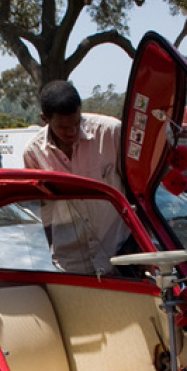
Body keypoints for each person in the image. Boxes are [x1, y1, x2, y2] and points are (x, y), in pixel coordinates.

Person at [23, 80, 130, 265]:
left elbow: (136, 189)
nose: (72, 131)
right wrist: (49, 253)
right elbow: (44, 208)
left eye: (76, 123)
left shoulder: (111, 133)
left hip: (119, 253)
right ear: (45, 119)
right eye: (63, 127)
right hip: (70, 261)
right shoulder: (33, 153)